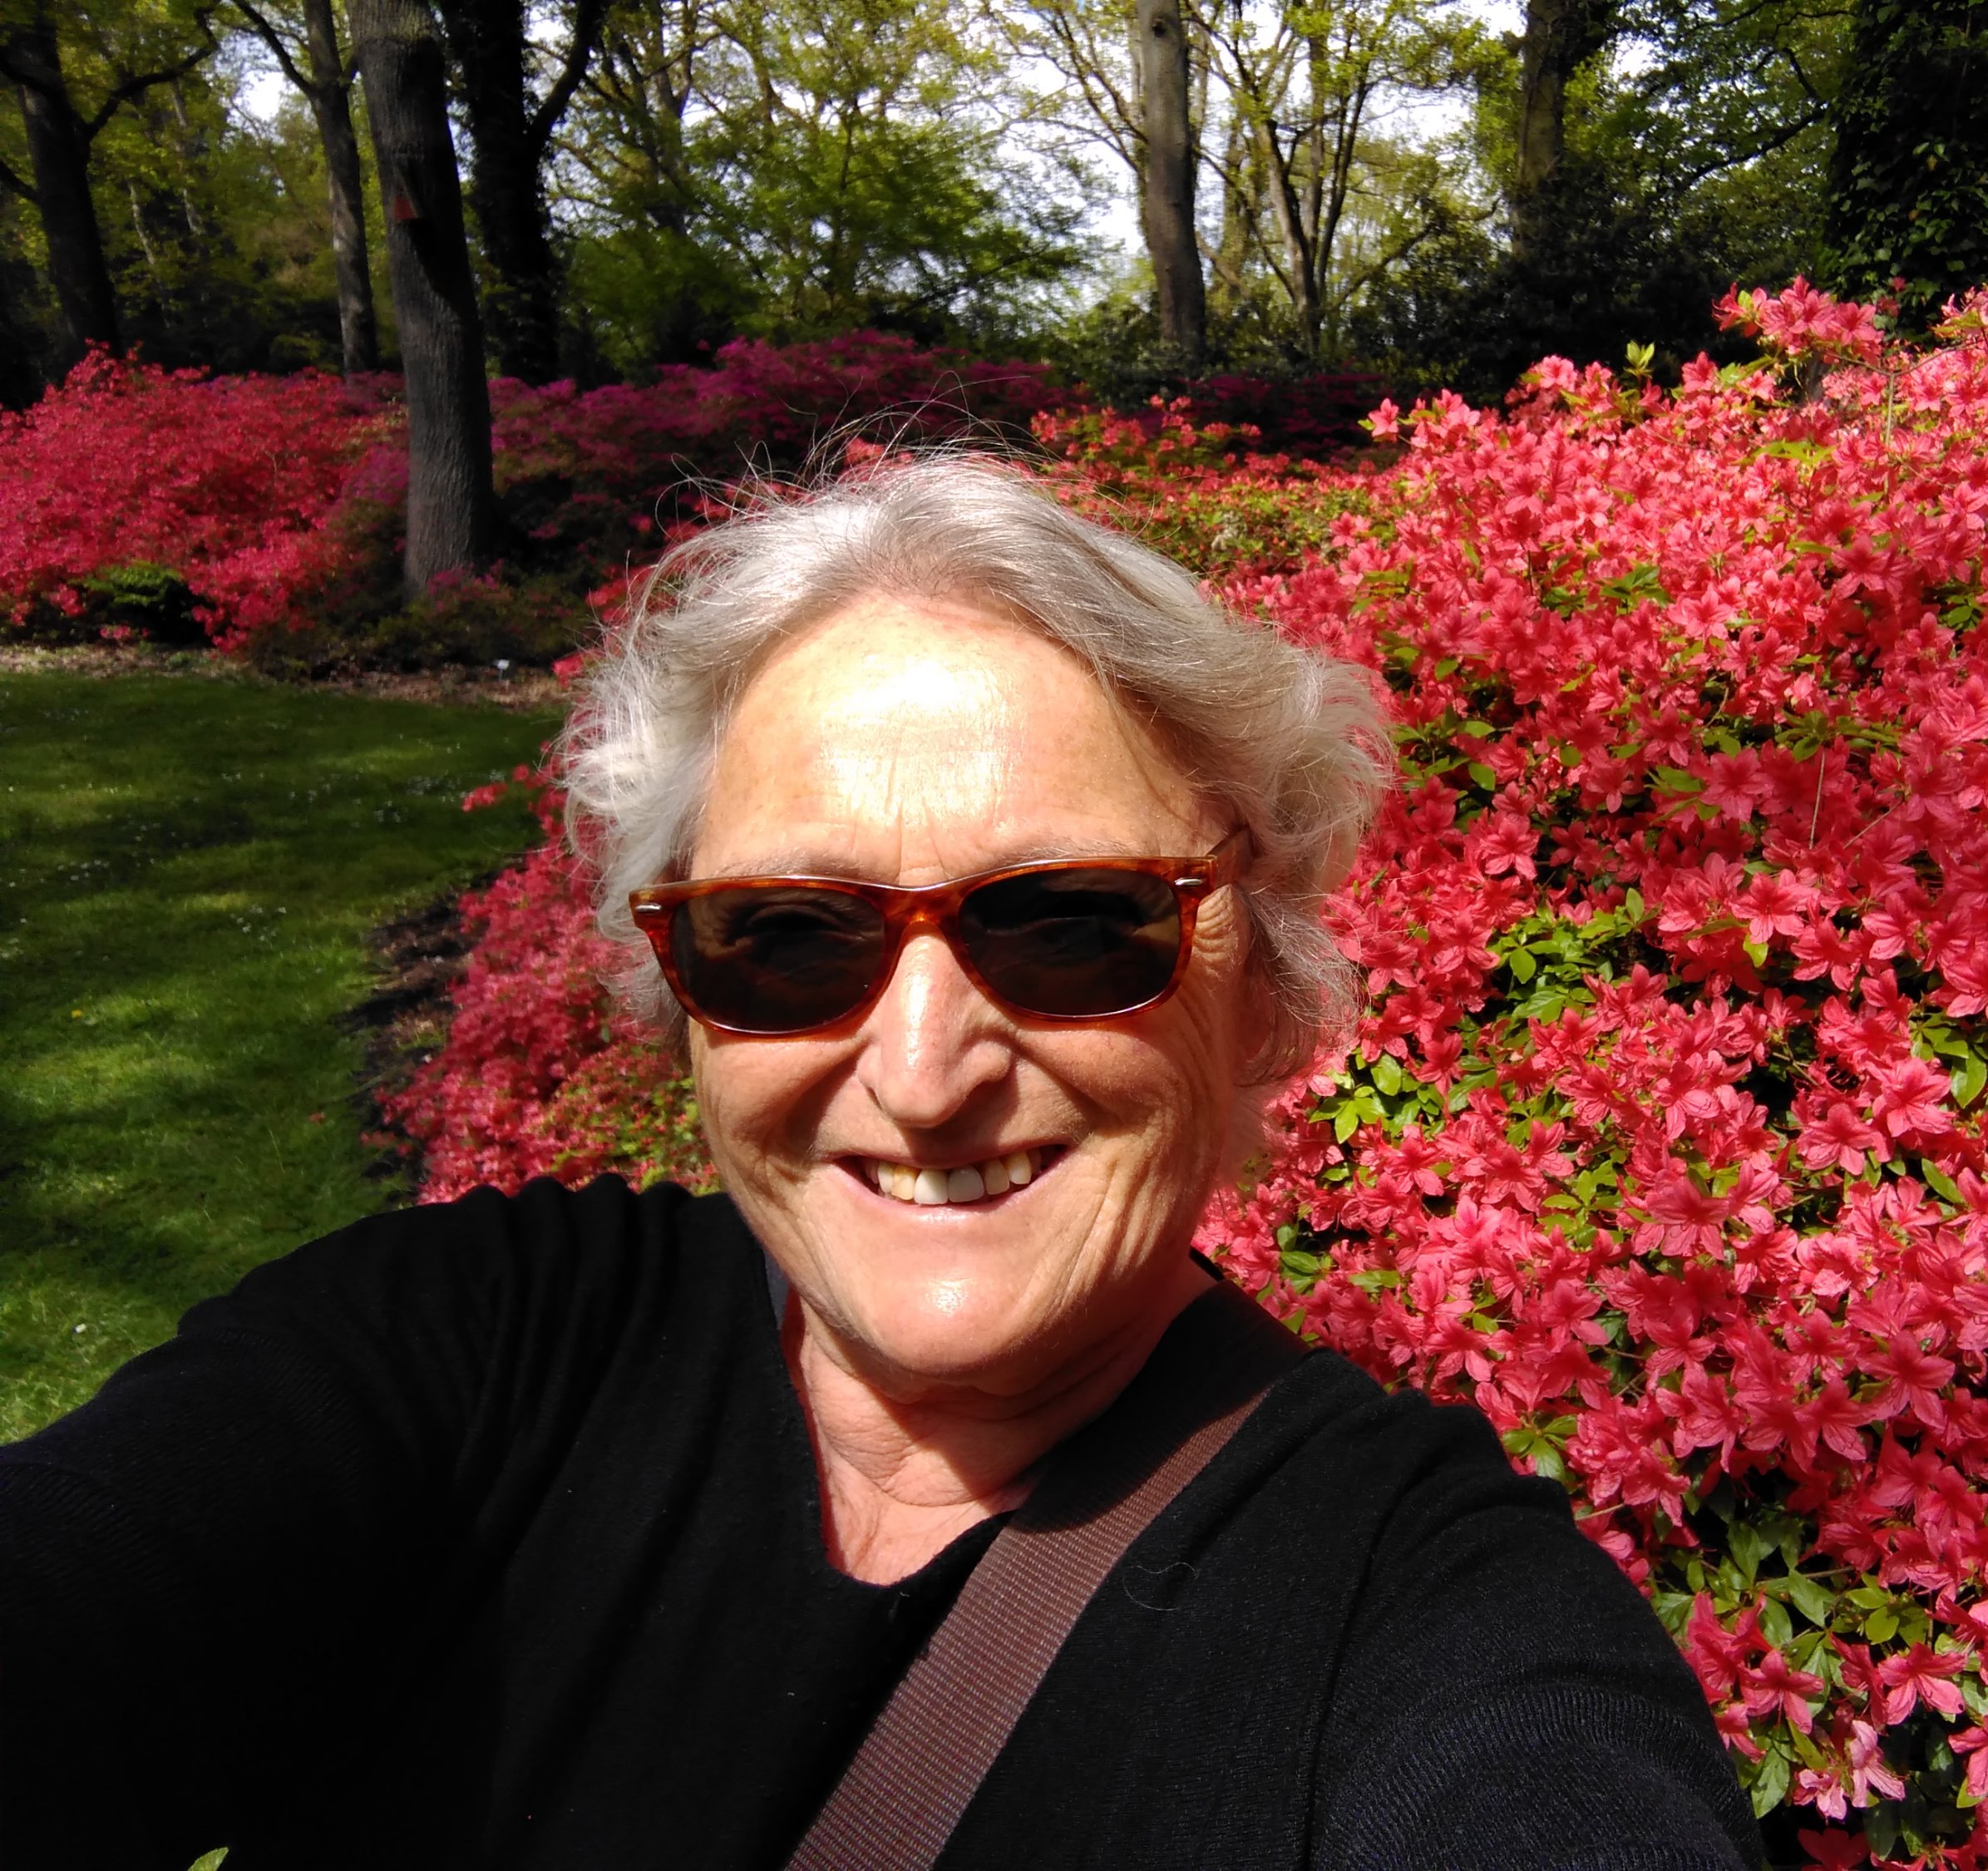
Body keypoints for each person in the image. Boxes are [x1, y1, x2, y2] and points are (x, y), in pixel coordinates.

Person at [0, 457, 1762, 1871]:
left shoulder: (1420, 1609)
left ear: (1265, 991)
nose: (922, 1076)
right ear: (682, 996)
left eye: (1072, 923)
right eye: (788, 935)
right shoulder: (470, 1352)